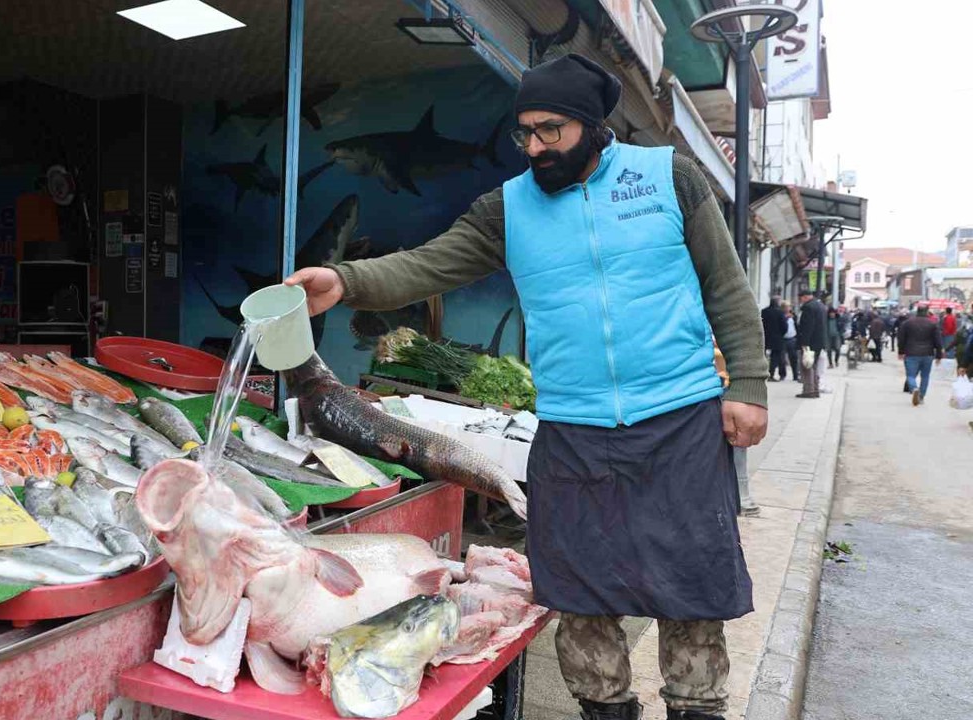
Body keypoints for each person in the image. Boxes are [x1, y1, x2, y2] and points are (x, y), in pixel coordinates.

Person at [285, 53, 767, 720]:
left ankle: (696, 708)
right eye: (526, 133)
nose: (536, 147)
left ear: (592, 125)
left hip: (678, 418)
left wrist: (749, 382)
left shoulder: (670, 178)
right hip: (573, 428)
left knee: (689, 582)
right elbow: (429, 264)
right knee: (581, 589)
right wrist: (346, 281)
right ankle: (604, 711)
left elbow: (727, 287)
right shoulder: (507, 208)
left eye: (551, 130)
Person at [898, 304, 944, 405]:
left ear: (917, 311)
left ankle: (914, 388)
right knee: (925, 376)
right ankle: (921, 396)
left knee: (910, 375)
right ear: (927, 311)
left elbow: (901, 339)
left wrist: (901, 352)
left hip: (911, 353)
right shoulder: (933, 324)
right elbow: (938, 341)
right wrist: (939, 355)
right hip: (928, 353)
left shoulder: (907, 323)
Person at [797, 289, 827, 398]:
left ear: (804, 297)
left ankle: (808, 390)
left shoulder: (808, 307)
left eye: (801, 298)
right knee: (814, 366)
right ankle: (815, 389)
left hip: (810, 342)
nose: (800, 301)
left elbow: (807, 327)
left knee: (807, 365)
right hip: (819, 341)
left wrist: (804, 343)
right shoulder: (821, 306)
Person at [761, 295, 788, 381]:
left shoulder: (764, 311)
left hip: (766, 336)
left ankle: (762, 373)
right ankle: (772, 374)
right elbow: (784, 326)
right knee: (776, 357)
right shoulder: (780, 312)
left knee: (763, 356)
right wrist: (781, 334)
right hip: (777, 338)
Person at [783, 303, 801, 382]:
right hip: (783, 339)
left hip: (792, 338)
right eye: (786, 307)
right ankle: (782, 374)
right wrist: (786, 318)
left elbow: (797, 326)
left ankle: (795, 375)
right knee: (782, 359)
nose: (788, 308)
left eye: (789, 307)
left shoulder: (793, 316)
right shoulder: (781, 315)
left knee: (794, 358)